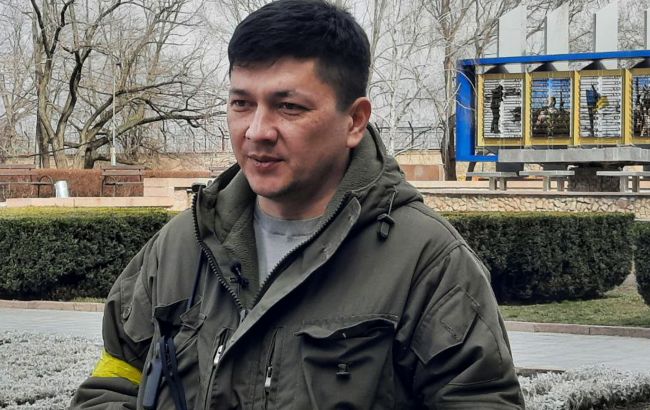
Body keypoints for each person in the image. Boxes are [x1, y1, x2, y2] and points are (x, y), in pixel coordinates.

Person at [71, 0, 524, 408]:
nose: (257, 131)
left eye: (288, 107)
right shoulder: (181, 245)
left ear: (354, 120)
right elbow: (114, 380)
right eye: (242, 103)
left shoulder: (428, 263)